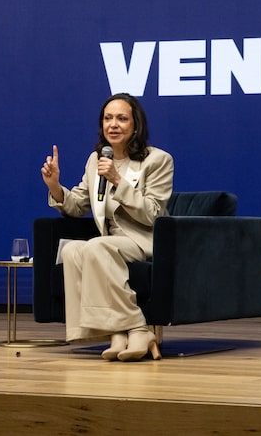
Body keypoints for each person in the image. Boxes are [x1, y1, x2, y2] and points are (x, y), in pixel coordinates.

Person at [40, 93, 173, 361]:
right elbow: (78, 205)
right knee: (72, 251)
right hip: (111, 241)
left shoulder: (157, 160)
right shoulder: (96, 160)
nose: (113, 124)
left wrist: (117, 180)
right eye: (108, 118)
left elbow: (154, 214)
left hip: (144, 239)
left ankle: (138, 328)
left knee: (96, 247)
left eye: (122, 119)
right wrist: (55, 186)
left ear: (135, 125)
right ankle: (115, 332)